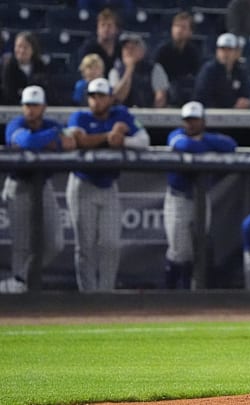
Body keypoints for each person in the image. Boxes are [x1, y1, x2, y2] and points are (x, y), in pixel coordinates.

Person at [64, 78, 150, 291]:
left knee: (111, 244)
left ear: (111, 98)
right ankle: (89, 296)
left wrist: (124, 141)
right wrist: (109, 136)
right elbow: (78, 140)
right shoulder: (80, 116)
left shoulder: (121, 114)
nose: (96, 101)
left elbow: (144, 141)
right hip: (82, 184)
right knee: (86, 246)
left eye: (101, 96)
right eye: (93, 96)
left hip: (108, 185)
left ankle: (106, 293)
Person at [0, 86, 76, 294]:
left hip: (43, 186)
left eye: (35, 105)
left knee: (55, 242)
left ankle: (20, 278)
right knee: (22, 244)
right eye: (27, 105)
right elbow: (26, 141)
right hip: (19, 186)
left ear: (44, 107)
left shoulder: (53, 123)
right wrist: (52, 136)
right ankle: (19, 288)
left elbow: (69, 142)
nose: (30, 110)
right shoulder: (16, 124)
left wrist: (56, 137)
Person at [163, 101, 238, 289]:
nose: (191, 124)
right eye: (188, 120)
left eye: (195, 120)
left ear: (203, 120)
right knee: (180, 250)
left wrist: (203, 141)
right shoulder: (175, 135)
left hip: (200, 199)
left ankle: (193, 292)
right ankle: (170, 293)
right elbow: (184, 145)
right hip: (178, 198)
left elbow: (230, 145)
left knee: (200, 248)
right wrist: (206, 145)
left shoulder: (208, 138)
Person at [153, 11, 202, 107]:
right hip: (165, 90)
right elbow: (155, 74)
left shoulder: (193, 52)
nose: (179, 30)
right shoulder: (162, 51)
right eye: (176, 26)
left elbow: (196, 75)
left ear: (190, 32)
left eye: (183, 27)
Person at [108, 32, 170, 108]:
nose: (129, 51)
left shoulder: (155, 69)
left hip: (148, 113)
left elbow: (160, 98)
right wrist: (129, 70)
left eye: (133, 48)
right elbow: (118, 98)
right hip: (122, 115)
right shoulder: (115, 71)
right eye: (126, 48)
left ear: (142, 51)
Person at [194, 33, 250, 109]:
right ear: (217, 51)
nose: (225, 53)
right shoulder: (209, 70)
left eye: (229, 49)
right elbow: (201, 96)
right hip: (211, 114)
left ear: (237, 52)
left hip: (234, 114)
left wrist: (245, 101)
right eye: (222, 49)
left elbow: (246, 93)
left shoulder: (240, 71)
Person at [1, 31, 51, 105]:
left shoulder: (40, 66)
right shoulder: (7, 67)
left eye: (25, 47)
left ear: (33, 49)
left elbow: (43, 89)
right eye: (19, 46)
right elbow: (8, 91)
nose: (21, 50)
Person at [78, 8, 122, 77]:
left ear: (116, 29)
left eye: (109, 25)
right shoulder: (88, 49)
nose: (106, 29)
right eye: (102, 25)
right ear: (97, 28)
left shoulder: (121, 49)